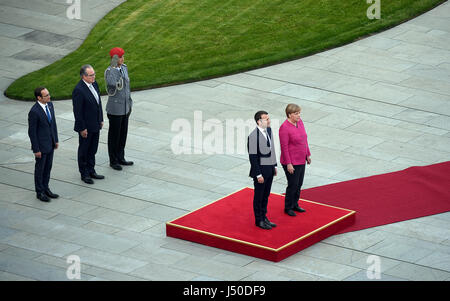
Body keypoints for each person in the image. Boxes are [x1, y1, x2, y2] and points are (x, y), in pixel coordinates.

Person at [72, 64, 105, 184]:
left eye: (94, 74)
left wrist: (100, 119)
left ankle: (91, 170)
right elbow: (78, 112)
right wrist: (82, 128)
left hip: (95, 124)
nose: (94, 77)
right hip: (86, 127)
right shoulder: (79, 90)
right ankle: (84, 173)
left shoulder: (94, 84)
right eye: (91, 75)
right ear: (84, 76)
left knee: (93, 149)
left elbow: (98, 103)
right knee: (84, 150)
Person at [279, 104, 311, 216]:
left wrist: (308, 154)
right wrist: (289, 163)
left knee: (299, 184)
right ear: (289, 115)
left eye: (299, 113)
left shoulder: (300, 122)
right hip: (292, 162)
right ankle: (288, 207)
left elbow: (304, 139)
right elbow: (284, 147)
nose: (299, 115)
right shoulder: (284, 128)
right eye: (296, 113)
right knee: (293, 184)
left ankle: (295, 204)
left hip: (301, 159)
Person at [28, 87, 59, 202]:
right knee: (40, 170)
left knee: (48, 168)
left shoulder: (50, 105)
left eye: (48, 94)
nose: (49, 97)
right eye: (46, 96)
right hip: (41, 147)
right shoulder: (34, 112)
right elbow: (32, 132)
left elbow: (53, 124)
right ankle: (39, 192)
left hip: (50, 144)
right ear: (39, 98)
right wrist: (36, 149)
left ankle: (46, 188)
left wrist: (55, 140)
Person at [104, 47, 133, 171]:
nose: (123, 59)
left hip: (125, 107)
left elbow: (126, 86)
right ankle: (113, 160)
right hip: (115, 108)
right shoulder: (110, 71)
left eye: (122, 56)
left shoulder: (124, 67)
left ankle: (121, 157)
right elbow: (111, 83)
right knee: (114, 136)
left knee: (122, 134)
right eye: (120, 57)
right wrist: (114, 68)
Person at [248, 111, 278, 230]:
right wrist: (258, 174)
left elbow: (272, 149)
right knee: (259, 196)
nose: (269, 121)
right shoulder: (253, 136)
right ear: (259, 122)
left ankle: (264, 217)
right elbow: (253, 157)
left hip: (269, 169)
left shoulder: (269, 130)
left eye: (268, 118)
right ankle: (258, 220)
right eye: (266, 119)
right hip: (261, 172)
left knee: (266, 195)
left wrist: (274, 166)